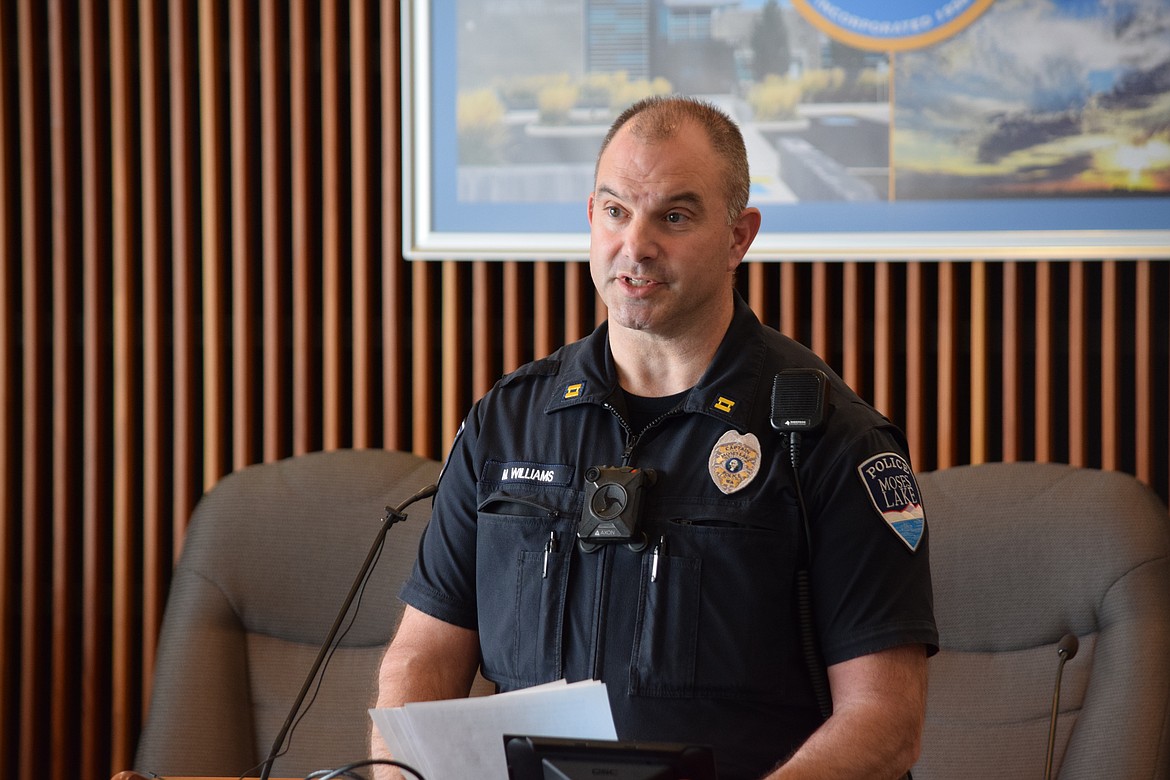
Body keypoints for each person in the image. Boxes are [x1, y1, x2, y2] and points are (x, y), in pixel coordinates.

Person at [372, 95, 937, 780]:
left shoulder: (826, 438)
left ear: (739, 237)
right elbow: (422, 656)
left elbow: (885, 722)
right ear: (590, 217)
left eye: (674, 215)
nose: (635, 245)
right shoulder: (510, 422)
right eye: (616, 211)